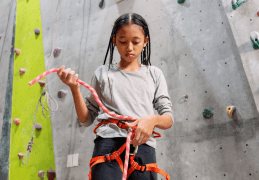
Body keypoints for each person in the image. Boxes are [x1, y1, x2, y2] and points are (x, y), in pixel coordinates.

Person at [57, 13, 173, 180]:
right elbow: (86, 119)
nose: (130, 48)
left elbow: (168, 118)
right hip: (107, 145)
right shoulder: (103, 73)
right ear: (114, 41)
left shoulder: (154, 74)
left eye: (136, 41)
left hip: (143, 145)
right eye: (123, 41)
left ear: (145, 41)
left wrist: (152, 120)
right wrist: (75, 89)